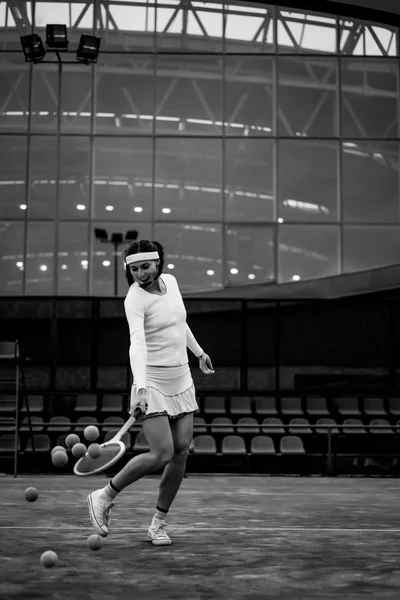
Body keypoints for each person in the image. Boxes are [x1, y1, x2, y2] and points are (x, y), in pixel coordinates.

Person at [87, 239, 215, 545]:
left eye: (145, 266)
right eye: (134, 269)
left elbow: (179, 323)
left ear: (159, 263)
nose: (141, 273)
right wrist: (141, 388)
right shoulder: (134, 299)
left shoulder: (171, 282)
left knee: (182, 451)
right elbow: (137, 345)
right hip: (152, 381)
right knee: (162, 453)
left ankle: (158, 524)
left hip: (181, 377)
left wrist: (198, 352)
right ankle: (103, 496)